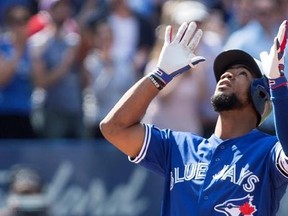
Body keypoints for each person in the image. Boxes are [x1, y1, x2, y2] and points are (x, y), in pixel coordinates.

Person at [100, 19, 288, 216]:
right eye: (224, 73)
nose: (226, 76)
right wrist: (160, 74)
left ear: (260, 95)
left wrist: (278, 86)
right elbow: (114, 128)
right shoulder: (179, 147)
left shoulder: (268, 151)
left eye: (241, 74)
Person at [0, 1, 36, 139]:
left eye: (24, 20)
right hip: (5, 112)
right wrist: (18, 50)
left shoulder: (33, 47)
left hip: (27, 112)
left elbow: (39, 82)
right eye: (15, 21)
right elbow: (2, 79)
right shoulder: (2, 47)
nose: (20, 26)